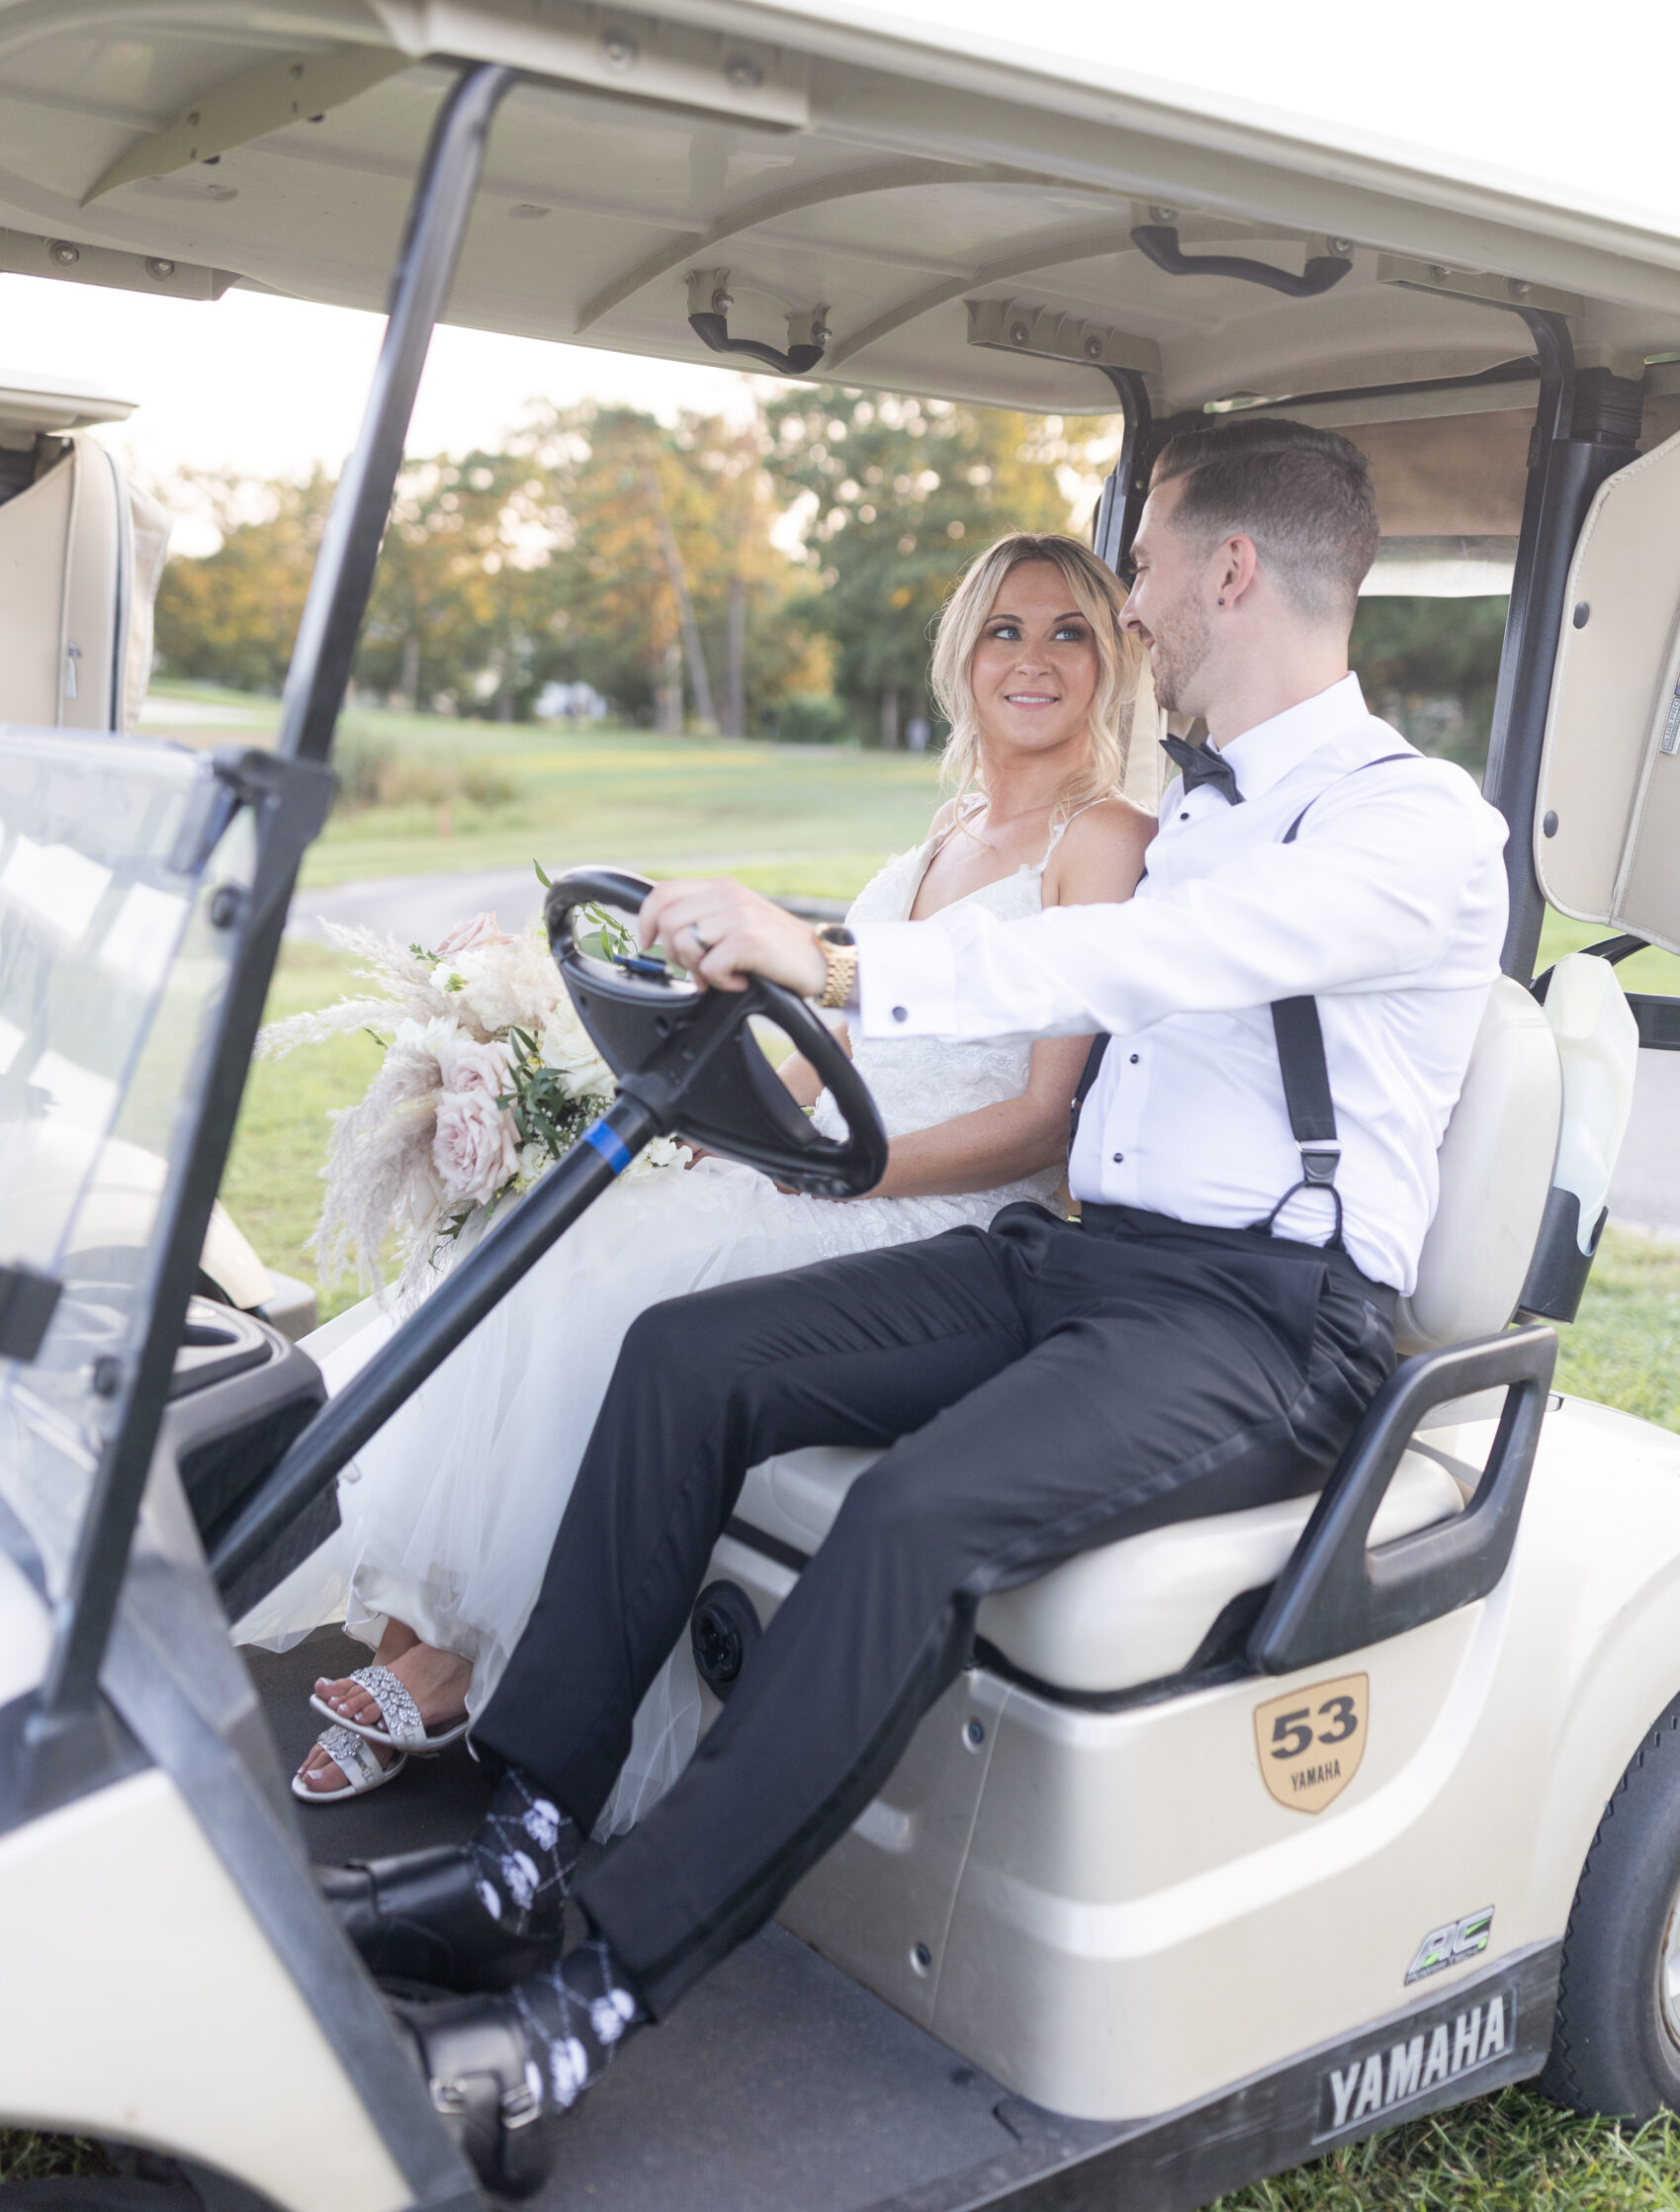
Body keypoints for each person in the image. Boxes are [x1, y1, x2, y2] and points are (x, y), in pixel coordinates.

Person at [326, 417, 1510, 2182]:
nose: (1131, 610)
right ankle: (524, 1815)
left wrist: (851, 961)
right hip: (1082, 1263)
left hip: (1263, 1324)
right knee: (687, 1355)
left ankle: (591, 1985)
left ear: (1228, 570)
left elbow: (1151, 957)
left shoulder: (1412, 824)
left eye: (1146, 568)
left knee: (913, 1517)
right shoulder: (1187, 810)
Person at [287, 532, 1154, 1805]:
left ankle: (446, 1673)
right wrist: (733, 1120)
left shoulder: (1106, 840)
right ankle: (417, 1643)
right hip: (831, 1167)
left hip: (943, 1222)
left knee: (631, 1297)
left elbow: (1042, 1122)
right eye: (1004, 631)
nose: (1033, 659)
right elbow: (840, 1042)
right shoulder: (951, 827)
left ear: (1111, 663)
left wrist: (850, 1173)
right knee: (552, 1246)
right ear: (963, 656)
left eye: (1068, 631)